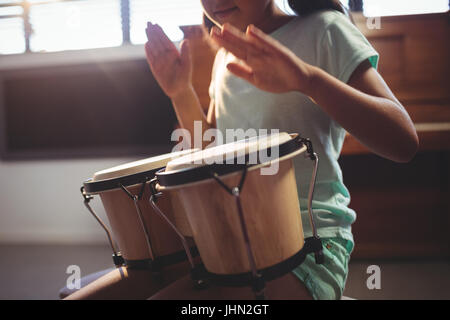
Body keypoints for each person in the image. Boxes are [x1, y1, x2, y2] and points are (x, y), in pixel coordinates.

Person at [144, 0, 419, 300]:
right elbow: (213, 154)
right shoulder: (224, 56)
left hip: (308, 243)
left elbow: (403, 141)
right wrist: (181, 93)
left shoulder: (324, 28)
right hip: (235, 240)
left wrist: (307, 80)